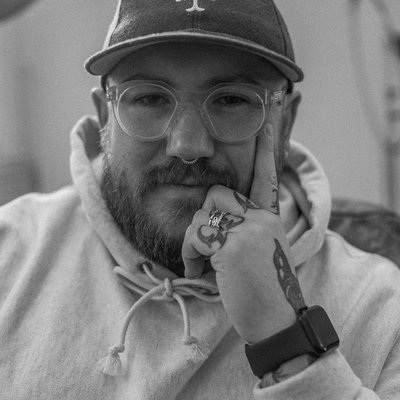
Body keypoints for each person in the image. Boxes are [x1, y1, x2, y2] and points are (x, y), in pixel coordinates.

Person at [0, 0, 399, 398]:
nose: (188, 146)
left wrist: (286, 340)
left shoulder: (382, 307)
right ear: (105, 117)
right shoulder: (10, 252)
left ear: (285, 121)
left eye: (231, 100)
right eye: (149, 99)